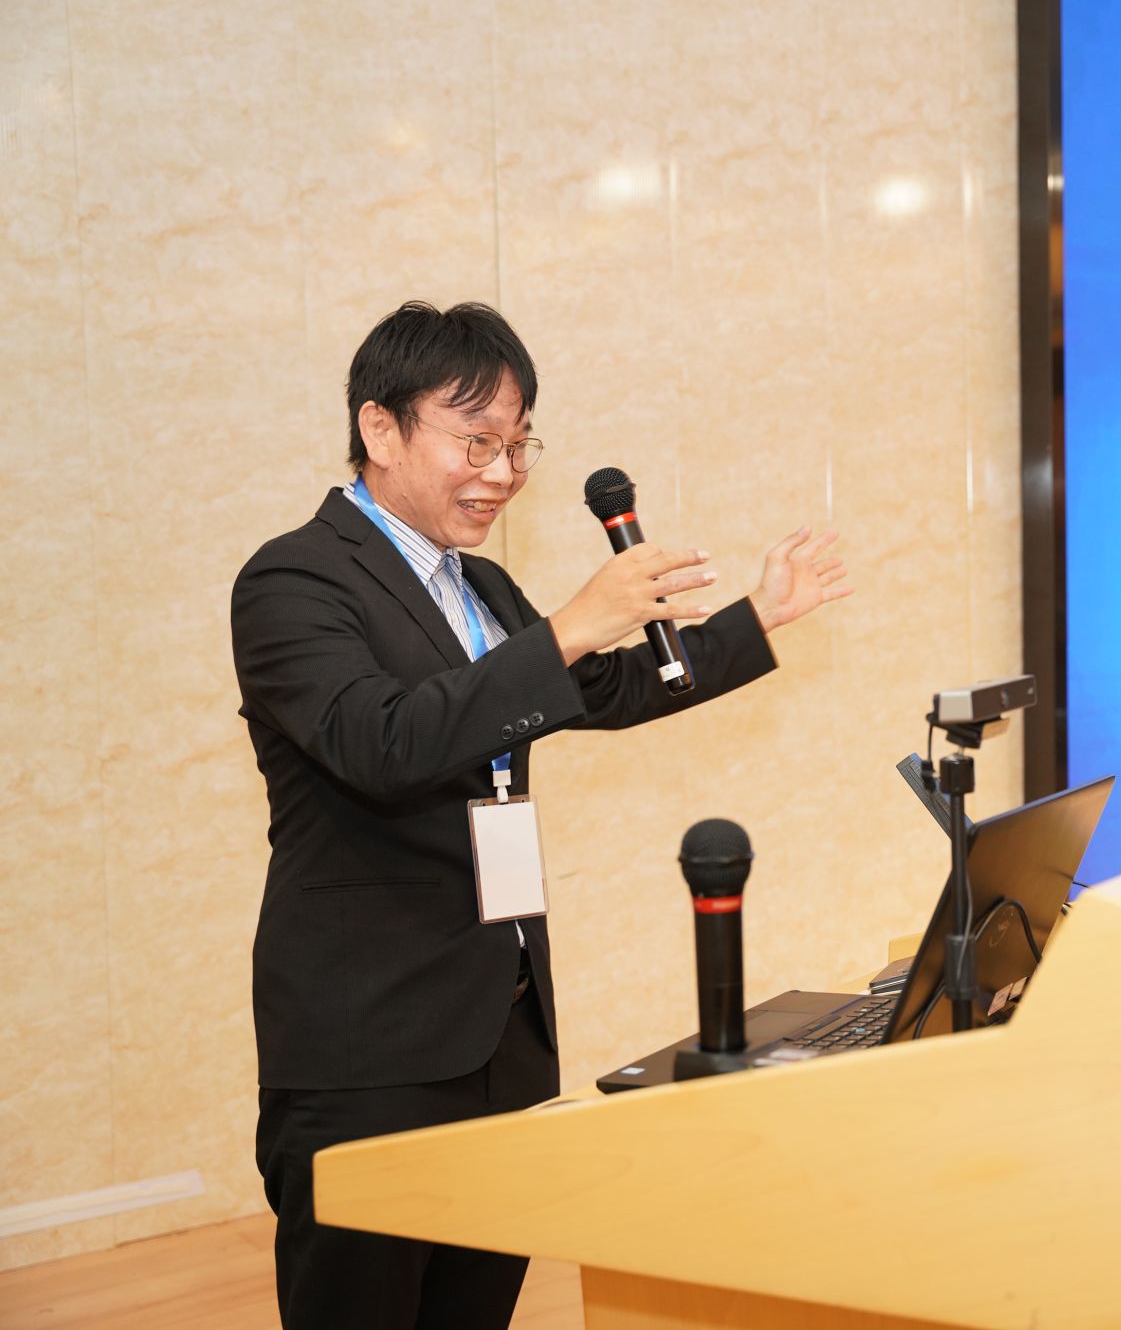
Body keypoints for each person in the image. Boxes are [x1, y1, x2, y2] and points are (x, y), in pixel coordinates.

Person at [231, 301, 848, 1330]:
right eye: (476, 440)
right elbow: (379, 743)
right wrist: (568, 626)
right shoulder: (294, 576)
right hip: (369, 1043)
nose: (503, 471)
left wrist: (758, 618)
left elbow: (604, 689)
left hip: (501, 1027)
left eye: (518, 444)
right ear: (380, 428)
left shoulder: (477, 584)